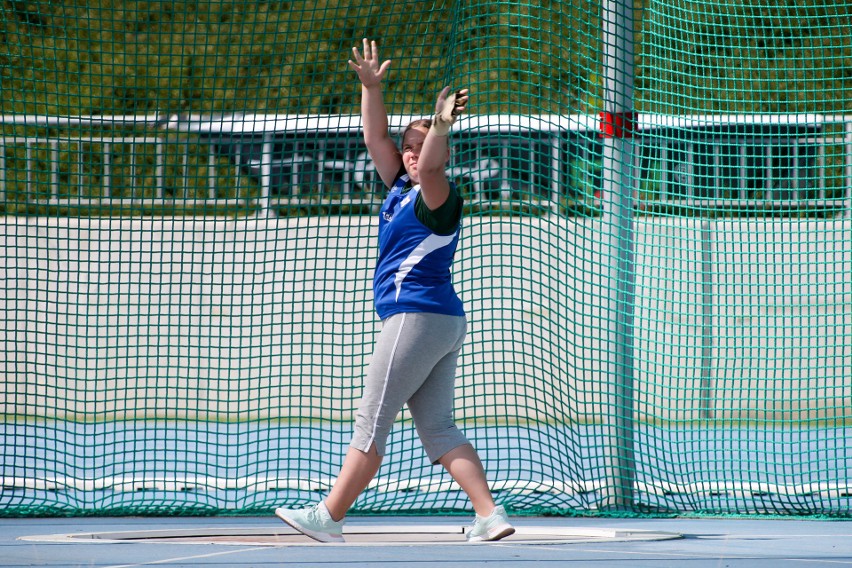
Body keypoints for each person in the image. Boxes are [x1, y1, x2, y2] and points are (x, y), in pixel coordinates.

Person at [274, 38, 514, 544]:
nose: (417, 154)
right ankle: (490, 515)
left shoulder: (437, 194)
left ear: (440, 153)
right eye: (412, 145)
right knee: (439, 430)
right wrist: (371, 87)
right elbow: (375, 136)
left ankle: (330, 516)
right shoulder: (398, 189)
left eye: (428, 146)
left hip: (416, 317)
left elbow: (428, 166)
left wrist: (442, 123)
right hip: (439, 322)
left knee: (372, 422)